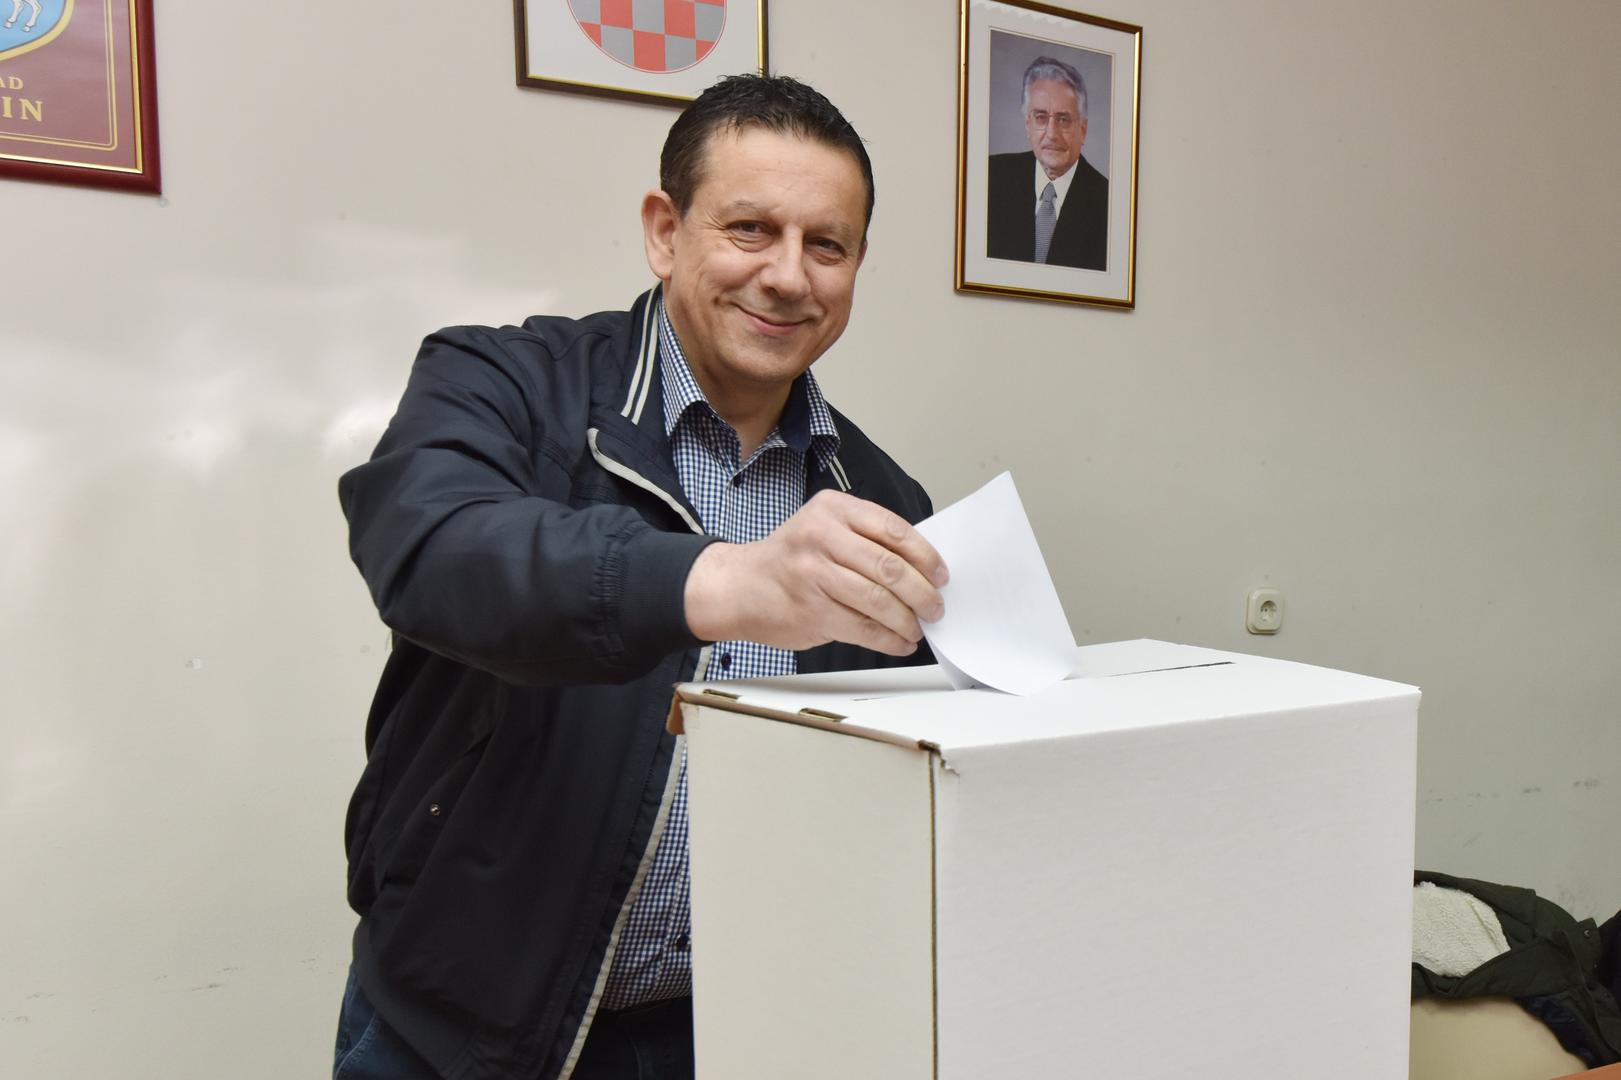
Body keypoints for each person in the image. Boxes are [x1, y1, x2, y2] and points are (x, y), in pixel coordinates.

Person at [330, 75, 949, 1080]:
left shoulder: (880, 498)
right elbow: (430, 547)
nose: (788, 276)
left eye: (826, 246)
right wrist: (721, 582)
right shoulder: (502, 383)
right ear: (665, 232)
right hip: (458, 1033)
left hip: (739, 1036)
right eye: (749, 229)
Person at [986, 55, 1109, 271]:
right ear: (1028, 125)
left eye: (1063, 119)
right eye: (1041, 117)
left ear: (1083, 130)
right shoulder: (991, 177)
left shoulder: (1108, 202)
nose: (1052, 134)